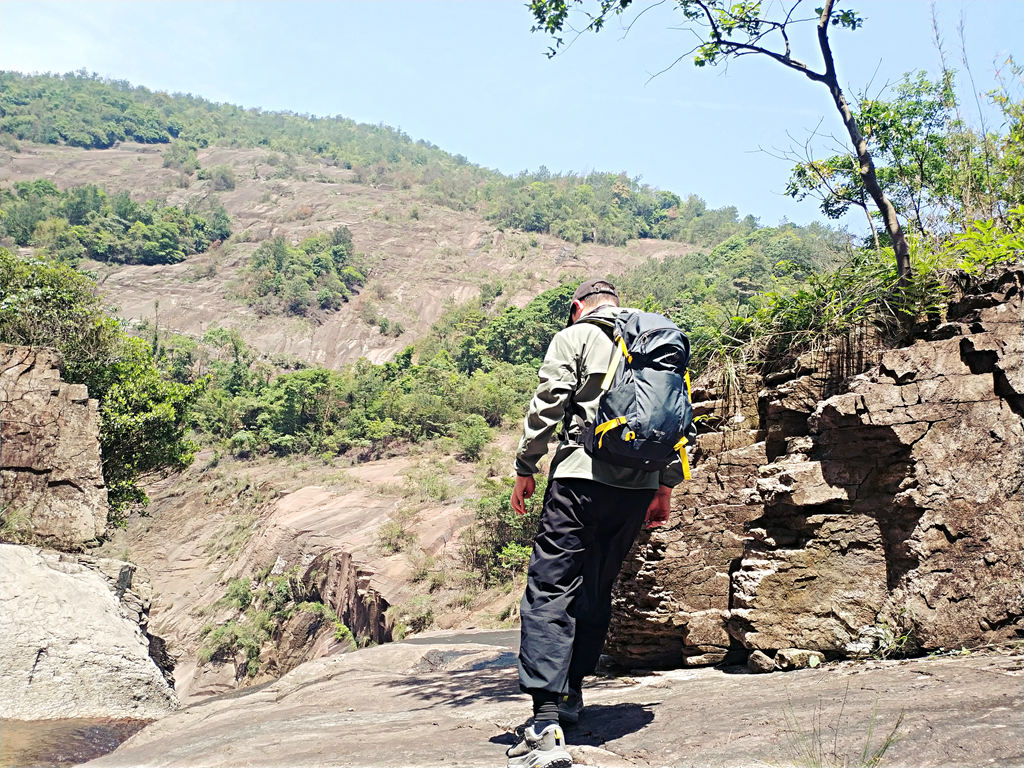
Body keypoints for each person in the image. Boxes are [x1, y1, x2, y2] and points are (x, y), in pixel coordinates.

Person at [504, 279, 684, 768]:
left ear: (578, 307)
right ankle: (572, 697)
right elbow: (673, 418)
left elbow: (548, 403)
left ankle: (544, 720)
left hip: (580, 481)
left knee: (551, 586)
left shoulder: (576, 335)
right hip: (638, 487)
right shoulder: (654, 340)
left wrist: (526, 465)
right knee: (596, 589)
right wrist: (664, 487)